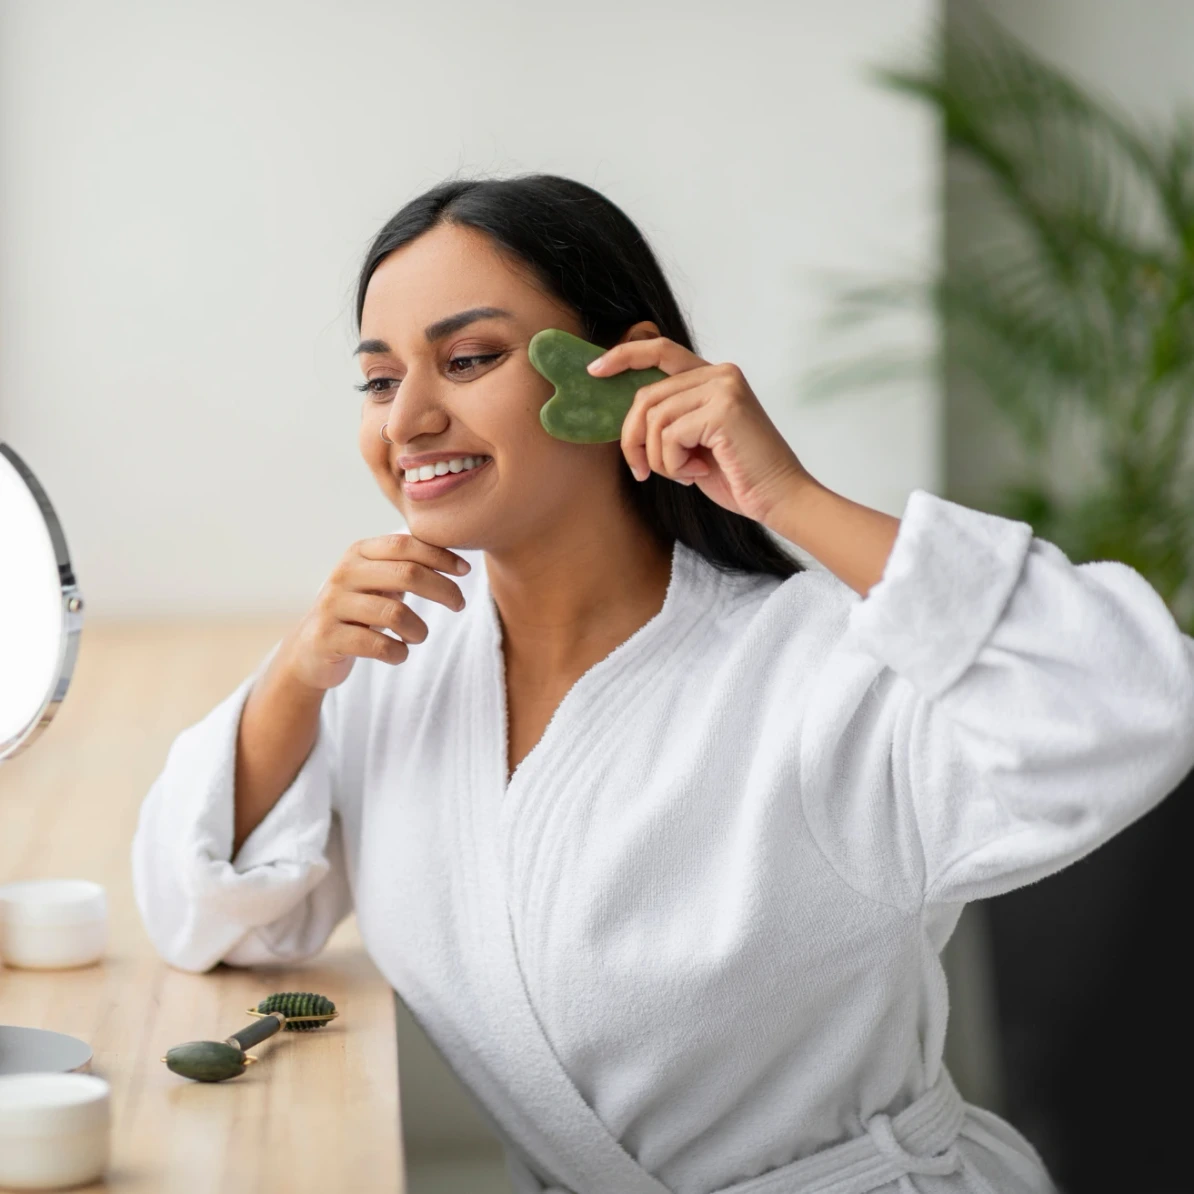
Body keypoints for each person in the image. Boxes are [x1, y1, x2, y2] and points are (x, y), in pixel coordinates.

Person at [131, 173, 1194, 1194]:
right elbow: (200, 915)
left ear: (624, 375)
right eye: (377, 378)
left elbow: (1136, 706)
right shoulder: (400, 671)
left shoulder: (817, 672)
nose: (404, 419)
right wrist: (297, 677)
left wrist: (790, 495)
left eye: (469, 359)